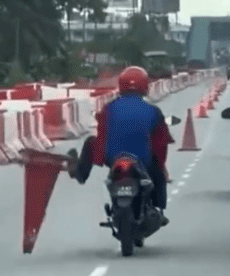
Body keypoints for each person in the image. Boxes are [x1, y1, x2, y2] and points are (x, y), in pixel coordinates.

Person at [67, 65, 172, 225]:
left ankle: (81, 174)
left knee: (90, 141)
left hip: (113, 157)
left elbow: (102, 136)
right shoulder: (153, 111)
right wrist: (161, 166)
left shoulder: (109, 108)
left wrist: (100, 157)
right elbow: (160, 144)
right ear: (145, 86)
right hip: (142, 159)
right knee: (158, 175)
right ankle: (158, 207)